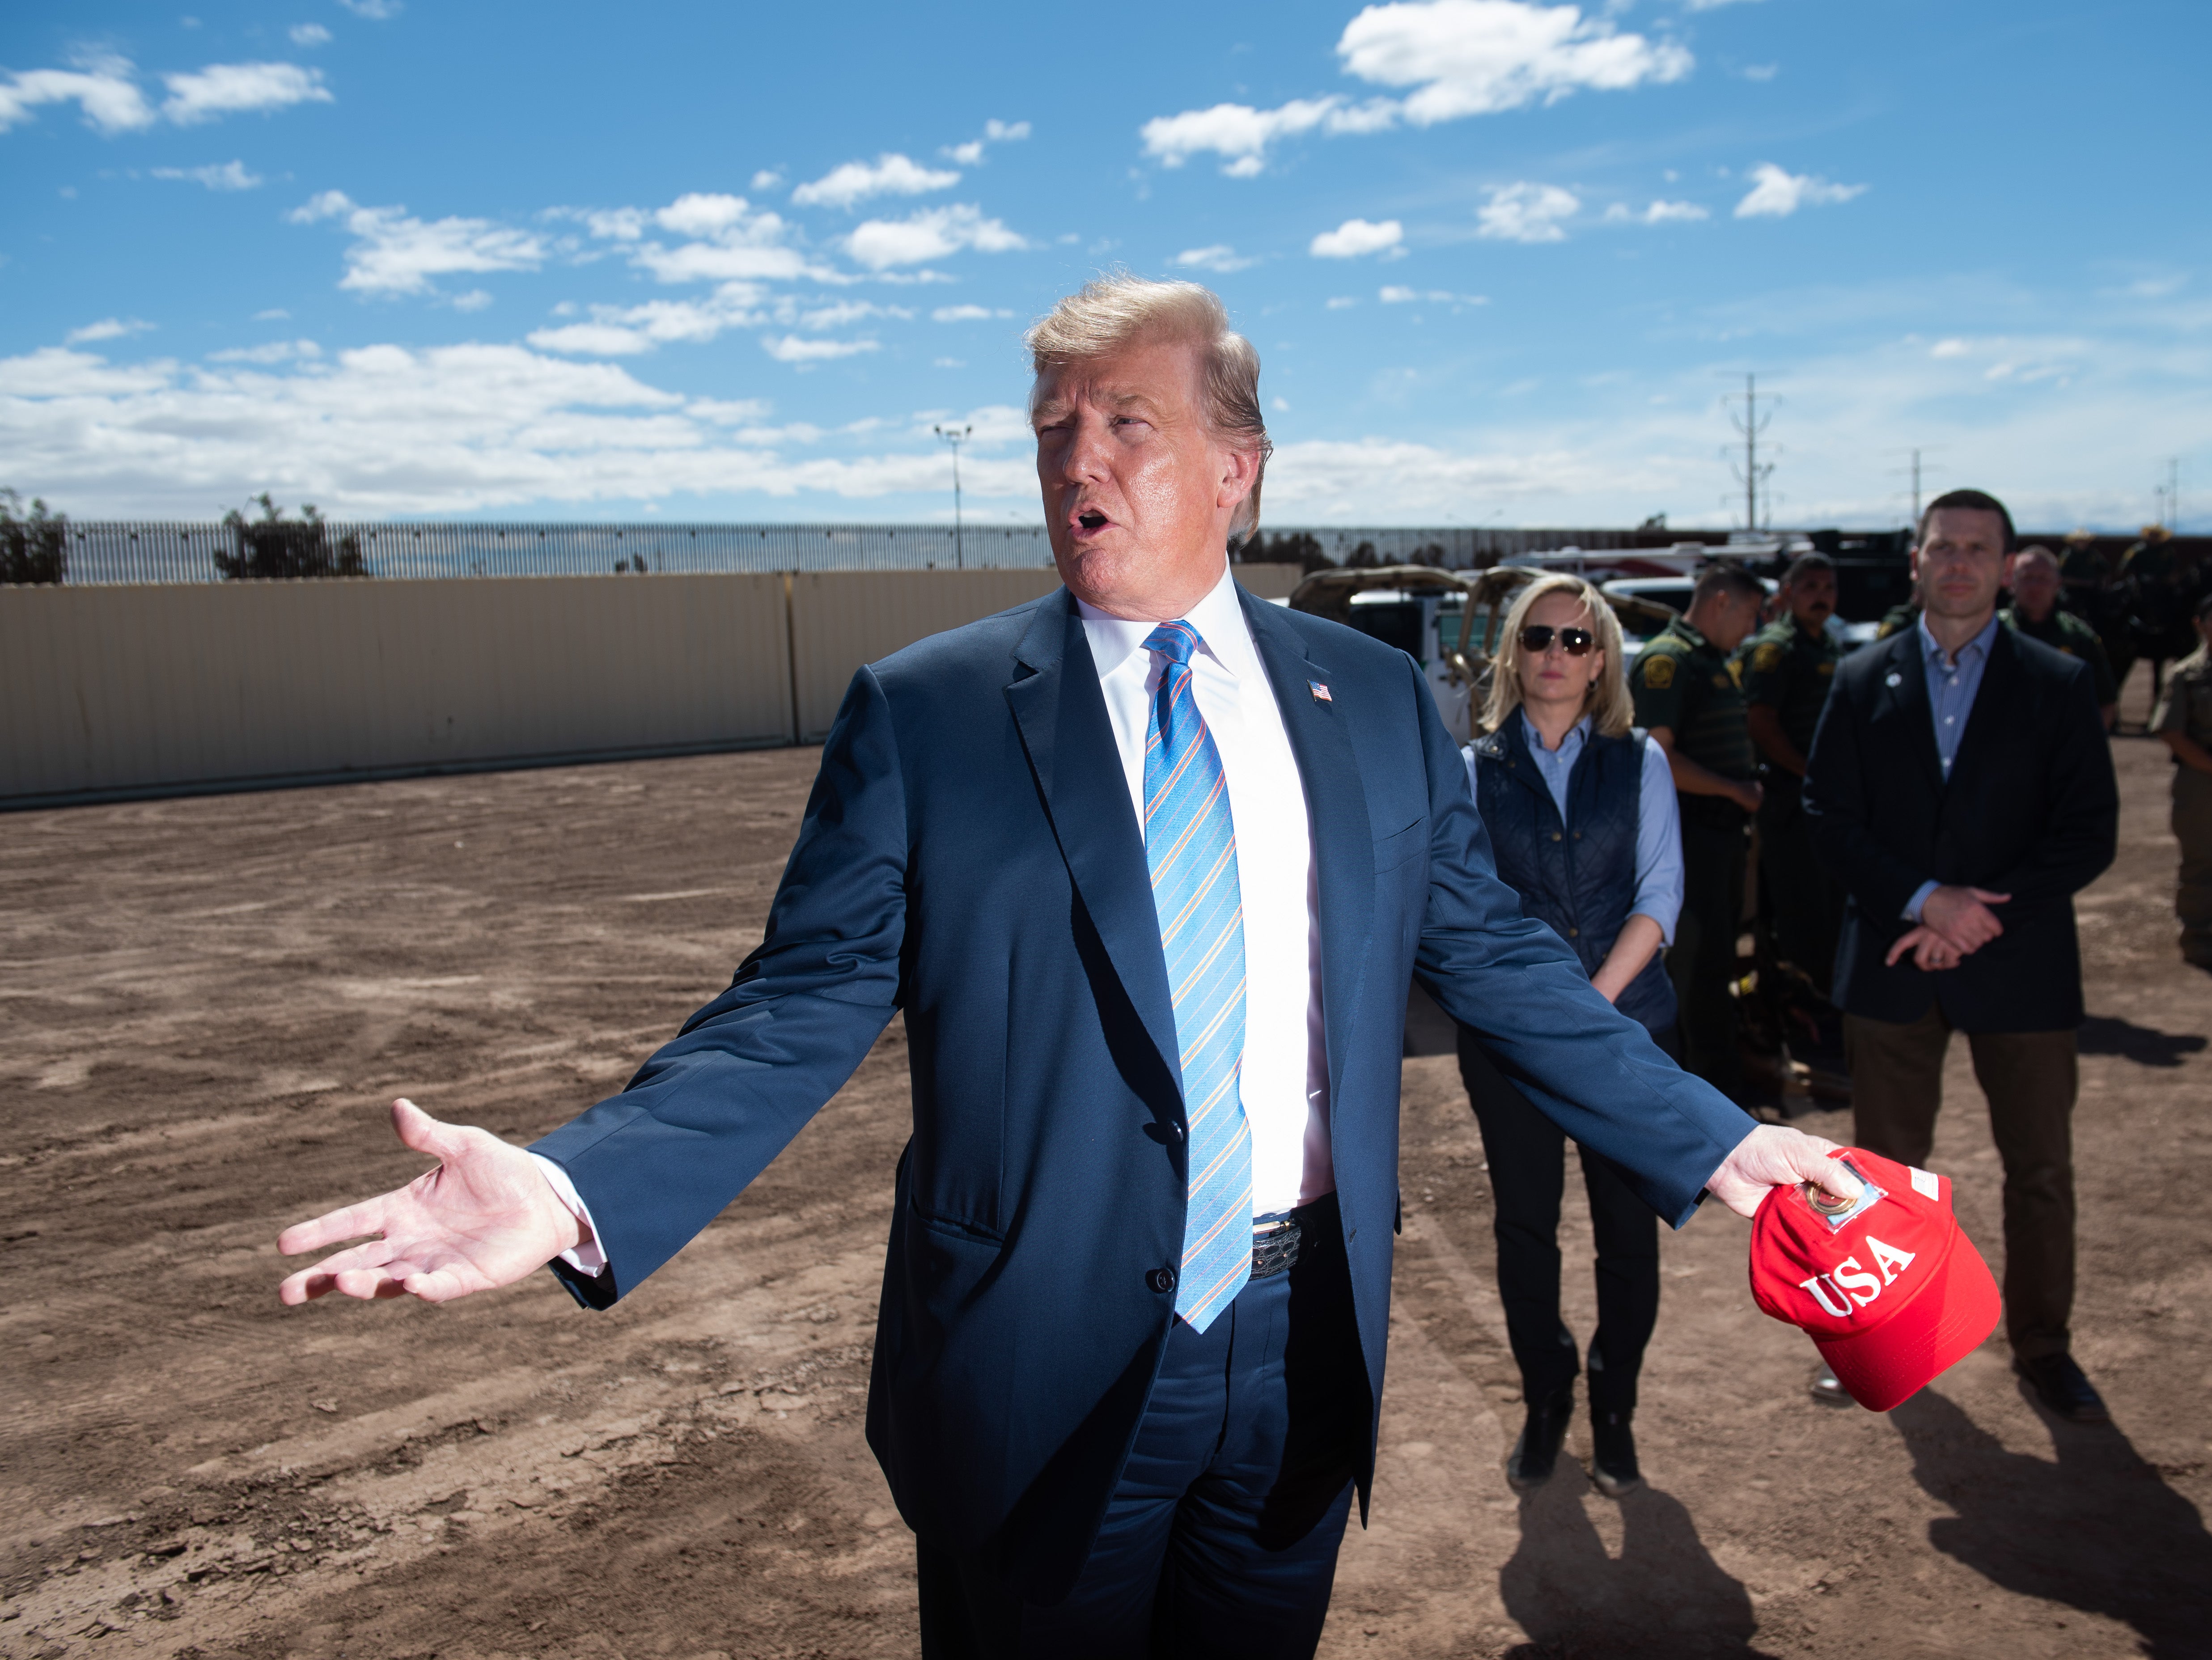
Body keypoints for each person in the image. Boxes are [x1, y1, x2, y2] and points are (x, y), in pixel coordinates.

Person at [275, 278, 1850, 1660]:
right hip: (1044, 1363)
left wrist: (1710, 1135)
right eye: (1051, 428)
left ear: (1235, 468)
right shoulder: (935, 714)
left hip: (1300, 1348)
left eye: (1124, 423)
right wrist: (571, 1185)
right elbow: (797, 1003)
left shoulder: (1364, 704)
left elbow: (1495, 953)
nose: (1074, 461)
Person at [1802, 488, 2119, 1423]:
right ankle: (1878, 1337)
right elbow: (1826, 813)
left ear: (2005, 564)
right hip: (1894, 962)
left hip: (2017, 966)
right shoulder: (1860, 678)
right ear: (1915, 560)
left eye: (1978, 548)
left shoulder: (2056, 681)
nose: (1958, 563)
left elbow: (2087, 831)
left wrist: (1977, 915)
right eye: (1942, 546)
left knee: (2040, 1169)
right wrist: (1922, 898)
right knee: (1878, 1178)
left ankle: (2044, 1345)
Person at [1456, 575, 1687, 1501]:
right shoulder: (1474, 768)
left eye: (1578, 641)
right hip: (1511, 1045)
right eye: (1539, 636)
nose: (1558, 653)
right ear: (1514, 652)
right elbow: (1467, 910)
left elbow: (1660, 894)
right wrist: (1536, 1012)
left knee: (1629, 1232)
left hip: (1628, 1035)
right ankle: (1545, 1394)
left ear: (1603, 665)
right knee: (1525, 1228)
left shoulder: (1642, 763)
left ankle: (1615, 1402)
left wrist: (1590, 1003)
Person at [1628, 563, 1767, 1101]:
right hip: (1692, 836)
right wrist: (1732, 790)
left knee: (1716, 962)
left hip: (1721, 837)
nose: (1751, 628)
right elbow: (1658, 753)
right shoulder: (1670, 659)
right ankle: (1695, 1088)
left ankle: (1718, 1078)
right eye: (1749, 614)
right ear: (1719, 602)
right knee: (1693, 968)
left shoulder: (1711, 658)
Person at [1739, 553, 1846, 1001]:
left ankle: (1826, 991)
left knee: (1829, 899)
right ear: (1787, 593)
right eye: (1809, 588)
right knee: (1798, 904)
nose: (1820, 597)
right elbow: (1760, 723)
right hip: (1789, 797)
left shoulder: (1826, 643)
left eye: (1827, 588)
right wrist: (1808, 770)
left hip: (1825, 796)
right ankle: (1802, 1000)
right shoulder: (1775, 647)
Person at [2149, 593, 2212, 968]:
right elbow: (2170, 731)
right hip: (2201, 785)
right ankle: (2199, 942)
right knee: (2201, 865)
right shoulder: (2185, 675)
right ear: (2200, 625)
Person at [2003, 545, 2119, 728]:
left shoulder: (2079, 637)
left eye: (2043, 579)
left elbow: (2106, 702)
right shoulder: (1988, 632)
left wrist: (2082, 747)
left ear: (2058, 584)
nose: (2035, 586)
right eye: (2027, 578)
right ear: (2010, 582)